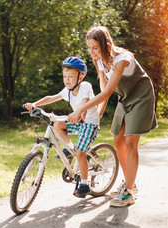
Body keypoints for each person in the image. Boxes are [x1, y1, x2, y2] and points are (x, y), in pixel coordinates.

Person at [69, 26, 157, 207]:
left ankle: (129, 192)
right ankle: (129, 183)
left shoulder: (121, 59)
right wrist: (99, 112)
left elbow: (108, 92)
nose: (91, 52)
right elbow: (103, 87)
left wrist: (81, 109)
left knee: (131, 142)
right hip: (124, 97)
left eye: (95, 48)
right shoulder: (100, 60)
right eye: (89, 48)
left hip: (141, 96)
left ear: (105, 44)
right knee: (118, 141)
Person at [24, 56, 106, 198]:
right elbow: (52, 97)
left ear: (80, 77)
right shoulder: (67, 91)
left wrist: (78, 113)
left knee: (81, 153)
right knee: (57, 124)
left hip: (89, 123)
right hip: (77, 122)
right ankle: (70, 149)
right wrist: (35, 104)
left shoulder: (85, 86)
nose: (66, 80)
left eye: (70, 76)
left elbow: (85, 104)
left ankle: (85, 185)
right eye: (64, 76)